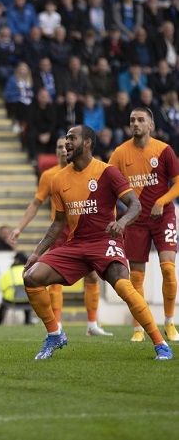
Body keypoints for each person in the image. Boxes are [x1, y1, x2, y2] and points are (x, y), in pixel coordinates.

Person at [22, 125, 173, 361]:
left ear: (88, 143)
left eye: (72, 138)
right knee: (31, 277)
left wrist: (122, 223)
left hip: (104, 241)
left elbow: (135, 204)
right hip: (75, 245)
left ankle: (160, 343)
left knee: (124, 287)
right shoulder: (58, 179)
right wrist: (36, 253)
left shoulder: (108, 172)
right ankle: (54, 334)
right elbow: (58, 223)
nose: (66, 143)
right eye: (65, 139)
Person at [10, 137, 112, 336]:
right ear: (55, 151)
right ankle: (57, 323)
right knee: (54, 278)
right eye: (58, 147)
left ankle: (92, 325)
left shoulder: (88, 171)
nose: (62, 151)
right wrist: (19, 228)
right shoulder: (50, 176)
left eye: (64, 147)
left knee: (92, 275)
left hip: (83, 232)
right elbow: (36, 203)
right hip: (60, 234)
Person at [108, 108, 179, 342]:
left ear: (151, 125)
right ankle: (138, 328)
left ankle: (170, 323)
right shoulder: (119, 153)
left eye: (140, 120)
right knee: (136, 278)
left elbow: (177, 183)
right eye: (132, 120)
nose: (135, 123)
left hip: (163, 215)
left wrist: (161, 201)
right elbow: (107, 187)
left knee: (168, 268)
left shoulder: (163, 150)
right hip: (135, 221)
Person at [0, 252, 33, 325]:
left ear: (17, 260)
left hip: (12, 300)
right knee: (27, 297)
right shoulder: (29, 271)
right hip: (27, 300)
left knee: (3, 303)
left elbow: (2, 287)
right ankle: (27, 322)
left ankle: (0, 323)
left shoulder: (10, 272)